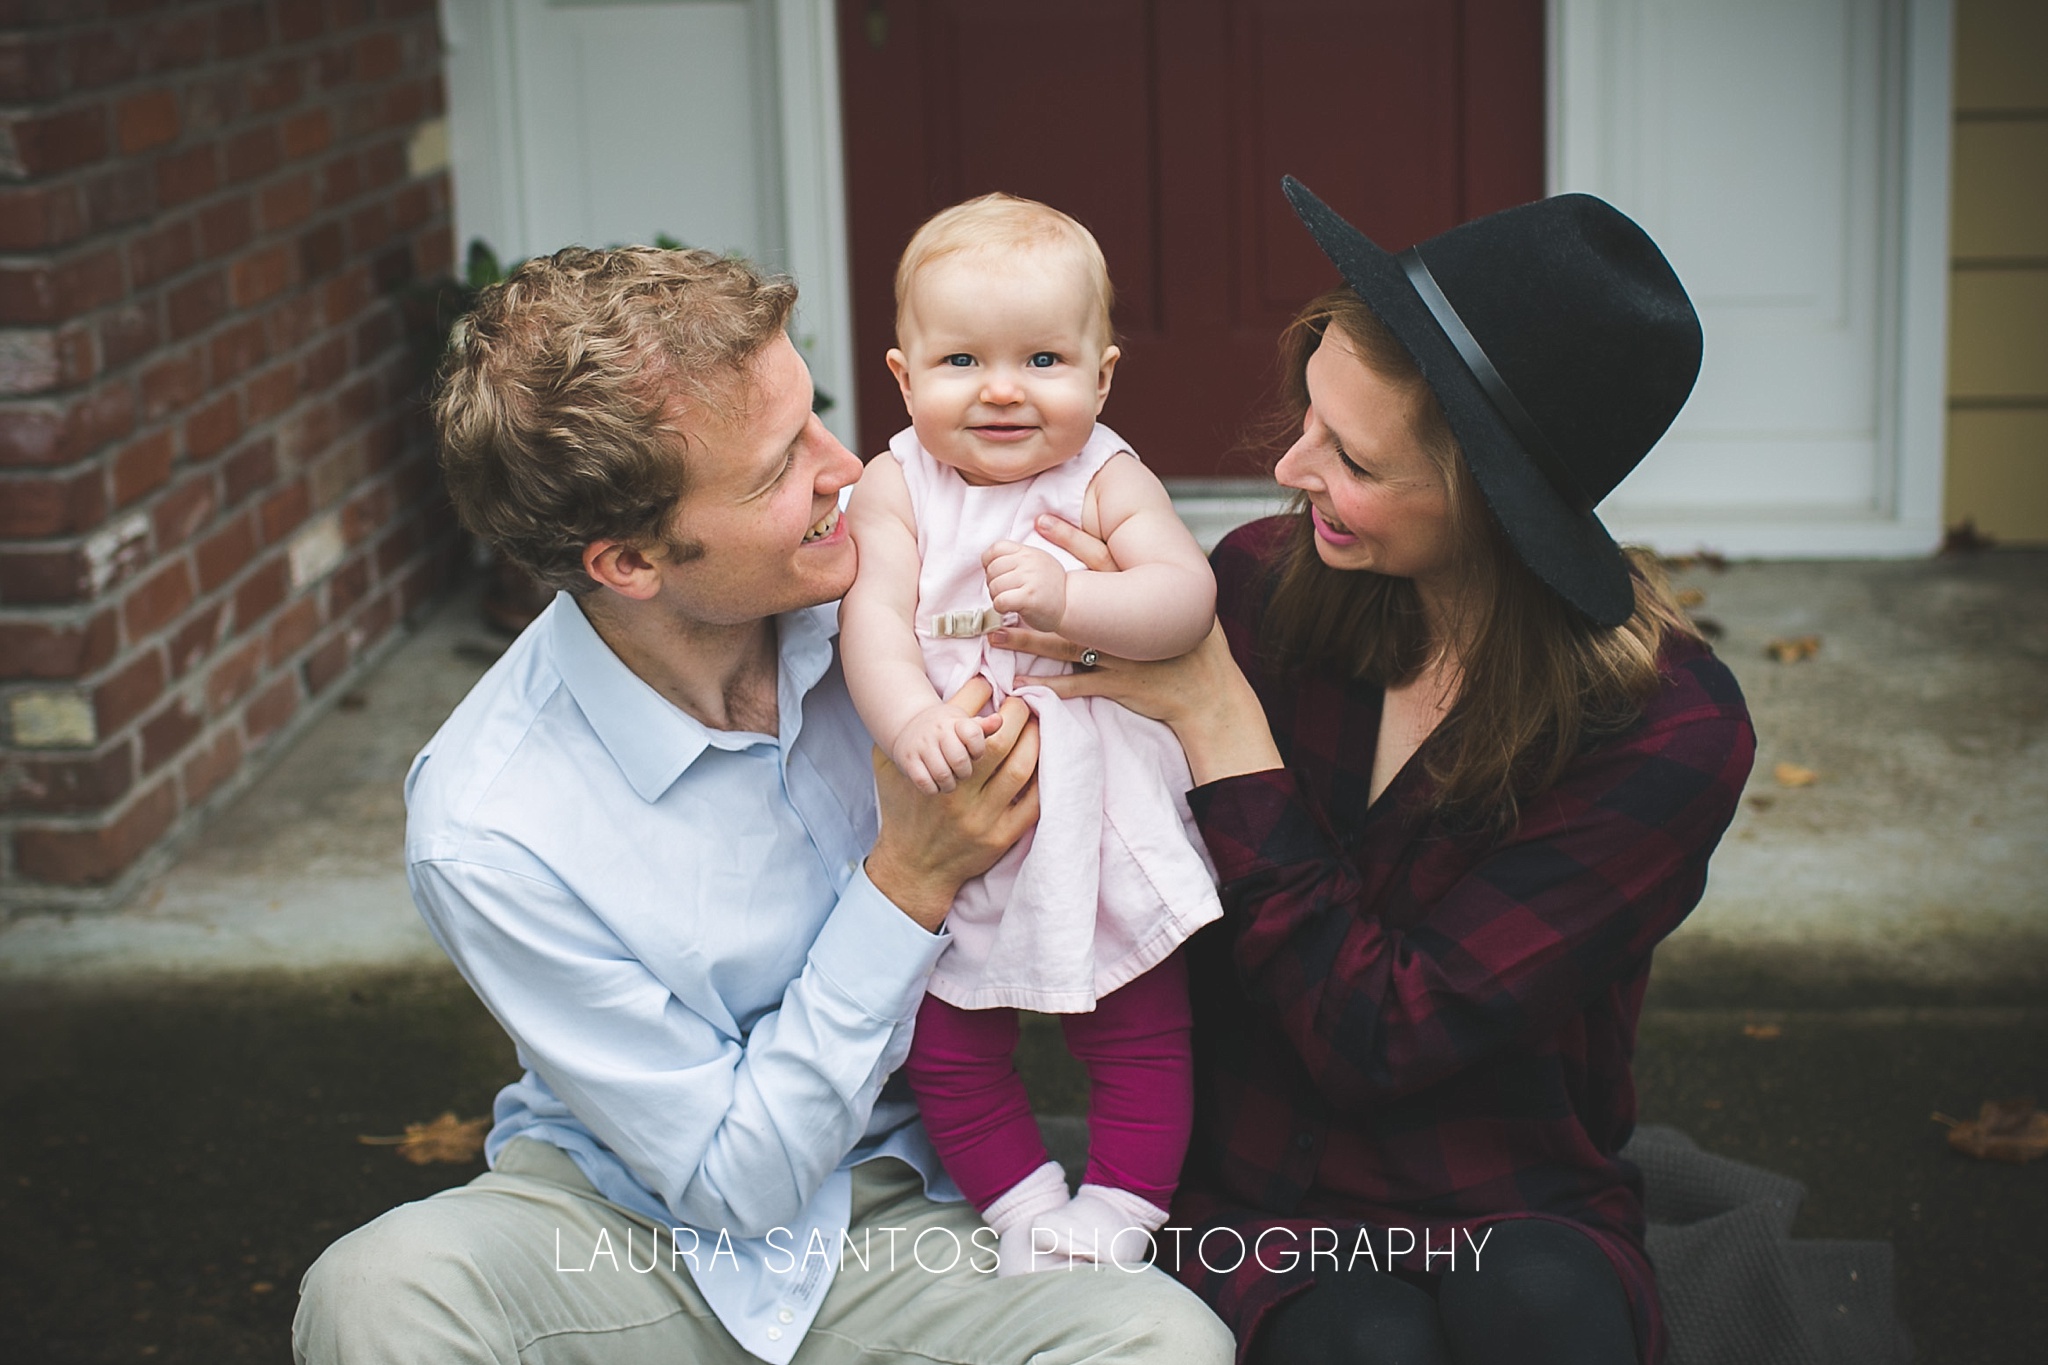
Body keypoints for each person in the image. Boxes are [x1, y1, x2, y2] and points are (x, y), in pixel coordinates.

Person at [290, 245, 1233, 1365]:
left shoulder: (911, 601)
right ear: (630, 560)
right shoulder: (488, 825)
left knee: (1163, 1343)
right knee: (373, 1294)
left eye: (817, 416)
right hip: (622, 1228)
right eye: (782, 464)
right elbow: (725, 1183)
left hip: (914, 1197)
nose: (849, 466)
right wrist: (907, 881)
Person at [995, 180, 1757, 1364]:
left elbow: (1381, 1035)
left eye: (1350, 458)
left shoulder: (1659, 725)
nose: (1292, 469)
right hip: (1254, 1189)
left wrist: (1217, 723)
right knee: (1358, 1345)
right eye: (1307, 415)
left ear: (1495, 505)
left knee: (1544, 1315)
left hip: (1506, 1186)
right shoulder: (1253, 586)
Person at [841, 194, 1222, 1276]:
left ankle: (1119, 1208)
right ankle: (1015, 1203)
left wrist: (1072, 602)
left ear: (1100, 377)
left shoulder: (1104, 473)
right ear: (903, 377)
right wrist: (908, 716)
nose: (1003, 389)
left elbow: (1181, 596)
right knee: (948, 1042)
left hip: (1095, 804)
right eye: (960, 360)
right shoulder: (893, 486)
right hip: (955, 795)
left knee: (1136, 1027)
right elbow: (870, 623)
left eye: (1043, 359)